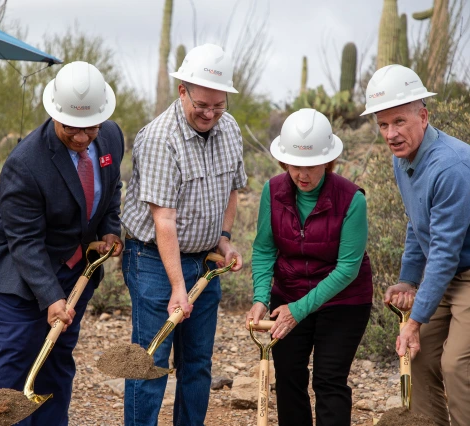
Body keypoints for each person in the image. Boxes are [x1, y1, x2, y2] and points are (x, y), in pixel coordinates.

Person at [0, 61, 124, 426]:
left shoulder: (112, 137)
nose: (83, 137)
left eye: (91, 127)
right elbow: (24, 241)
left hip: (73, 267)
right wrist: (51, 296)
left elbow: (110, 189)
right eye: (72, 126)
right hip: (15, 270)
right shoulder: (26, 163)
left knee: (57, 355)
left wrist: (109, 227)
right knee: (18, 354)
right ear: (55, 112)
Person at [121, 43, 245, 425]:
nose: (210, 114)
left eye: (218, 105)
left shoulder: (230, 129)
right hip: (154, 262)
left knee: (197, 363)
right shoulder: (160, 138)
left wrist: (223, 237)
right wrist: (178, 285)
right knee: (151, 361)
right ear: (182, 90)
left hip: (203, 260)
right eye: (201, 105)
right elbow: (164, 220)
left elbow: (232, 189)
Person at [246, 108, 373, 426]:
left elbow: (347, 269)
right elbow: (263, 248)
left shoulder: (351, 199)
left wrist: (298, 310)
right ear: (283, 160)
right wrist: (261, 296)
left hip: (344, 300)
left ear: (328, 161)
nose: (302, 174)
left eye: (311, 165)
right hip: (288, 293)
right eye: (295, 165)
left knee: (329, 381)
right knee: (288, 378)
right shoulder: (272, 191)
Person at [362, 64, 470, 426]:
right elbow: (415, 223)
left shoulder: (451, 166)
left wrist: (414, 321)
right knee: (420, 356)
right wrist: (408, 280)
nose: (391, 134)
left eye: (399, 122)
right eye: (383, 125)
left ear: (422, 116)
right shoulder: (403, 159)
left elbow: (443, 253)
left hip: (463, 271)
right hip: (448, 273)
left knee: (456, 363)